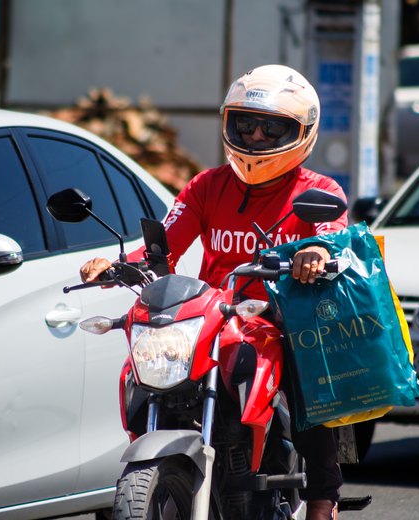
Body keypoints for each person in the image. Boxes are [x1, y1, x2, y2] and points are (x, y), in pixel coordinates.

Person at [80, 64, 348, 520]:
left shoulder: (318, 189)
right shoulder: (207, 185)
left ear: (301, 132)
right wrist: (118, 265)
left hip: (278, 318)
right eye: (247, 123)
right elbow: (163, 244)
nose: (257, 136)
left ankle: (323, 499)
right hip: (213, 315)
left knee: (308, 389)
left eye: (272, 127)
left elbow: (331, 234)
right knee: (147, 371)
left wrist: (316, 253)